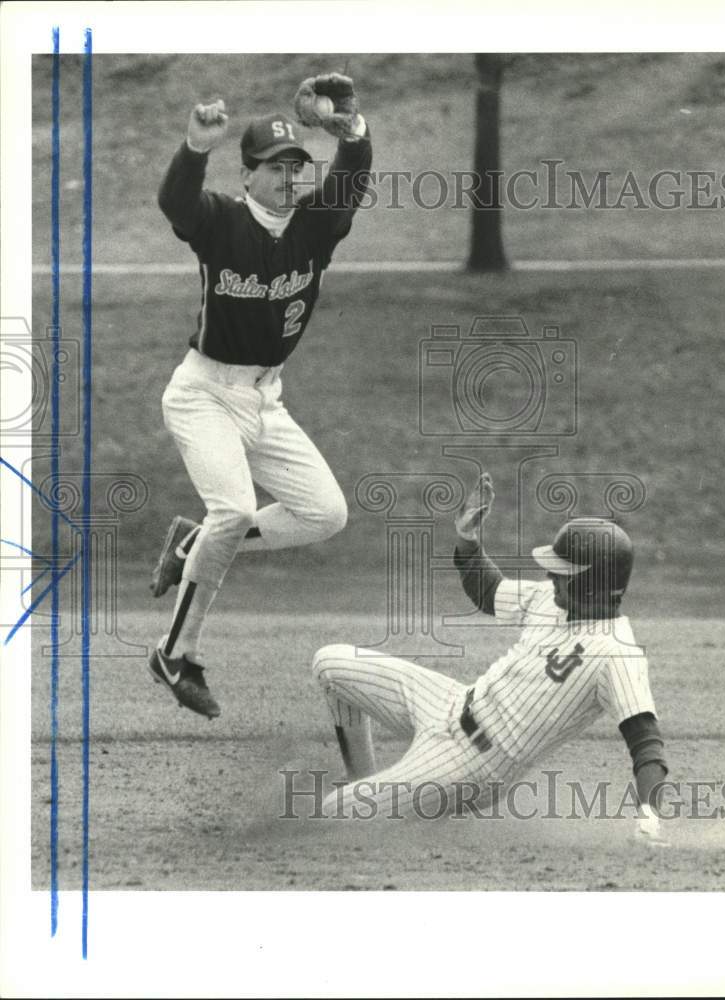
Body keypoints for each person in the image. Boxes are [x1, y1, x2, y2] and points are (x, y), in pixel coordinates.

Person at [148, 74, 372, 719]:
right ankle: (174, 652)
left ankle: (193, 547)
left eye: (296, 165)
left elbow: (352, 177)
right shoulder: (220, 220)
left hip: (265, 400)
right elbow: (175, 205)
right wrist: (195, 147)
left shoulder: (316, 227)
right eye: (275, 166)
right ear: (246, 175)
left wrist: (351, 132)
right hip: (203, 392)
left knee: (324, 514)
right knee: (233, 508)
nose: (288, 176)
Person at [312, 473, 669, 843]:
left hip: (473, 765)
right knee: (329, 663)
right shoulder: (551, 599)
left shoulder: (616, 654)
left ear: (593, 584)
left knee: (332, 813)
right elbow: (489, 591)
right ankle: (368, 784)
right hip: (446, 702)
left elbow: (646, 743)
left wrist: (649, 818)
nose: (550, 575)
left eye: (563, 572)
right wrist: (468, 538)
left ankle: (382, 806)